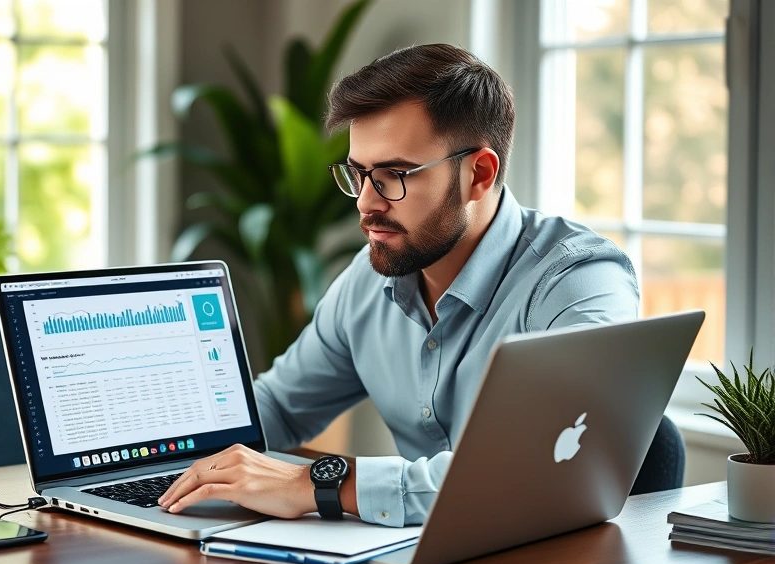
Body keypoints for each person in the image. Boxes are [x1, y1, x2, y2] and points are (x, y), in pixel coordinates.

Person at [158, 43, 639, 527]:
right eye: (359, 174)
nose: (366, 204)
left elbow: (533, 470)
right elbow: (279, 406)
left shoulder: (580, 283)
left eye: (394, 175)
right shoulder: (368, 280)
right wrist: (144, 448)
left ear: (479, 173)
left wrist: (318, 485)